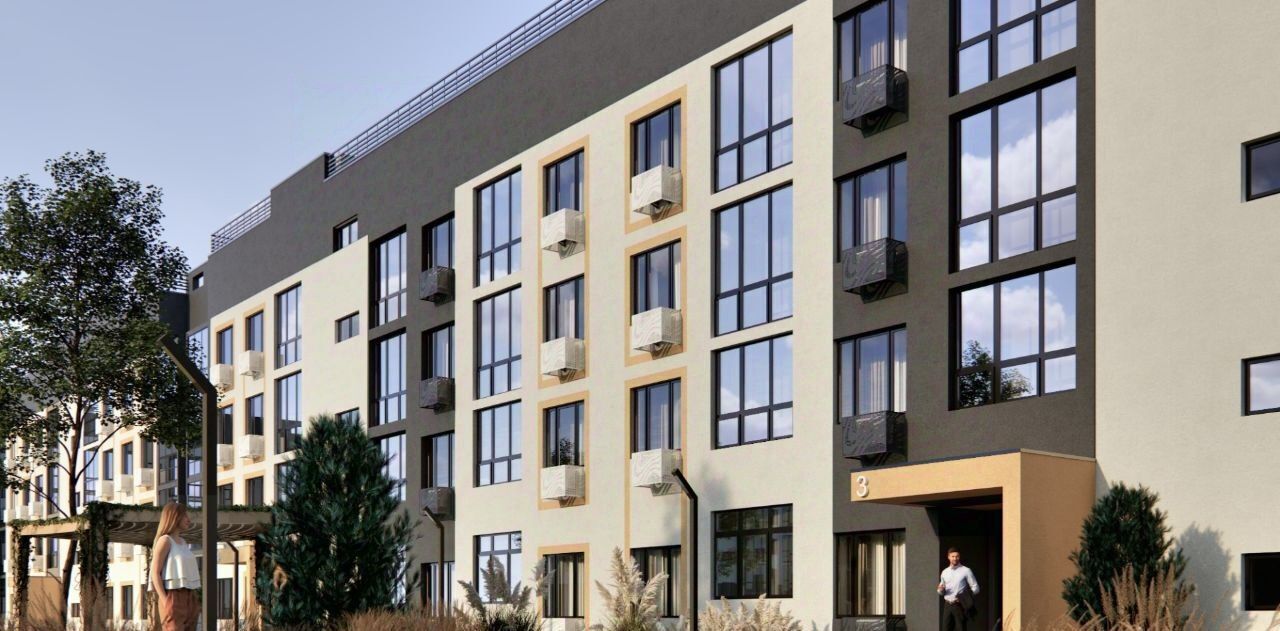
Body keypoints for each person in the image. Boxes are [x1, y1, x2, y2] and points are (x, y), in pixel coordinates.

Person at [151, 502, 200, 631]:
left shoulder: (183, 542)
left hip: (190, 594)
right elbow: (155, 572)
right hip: (173, 595)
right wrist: (165, 601)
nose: (188, 520)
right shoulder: (165, 540)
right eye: (185, 516)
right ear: (174, 517)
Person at [937, 547, 979, 631]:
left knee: (961, 628)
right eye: (953, 556)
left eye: (957, 556)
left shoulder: (966, 570)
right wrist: (940, 590)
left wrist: (965, 597)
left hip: (959, 605)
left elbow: (976, 588)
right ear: (948, 557)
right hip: (947, 605)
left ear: (959, 557)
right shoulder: (945, 572)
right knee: (945, 629)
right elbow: (940, 591)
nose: (955, 558)